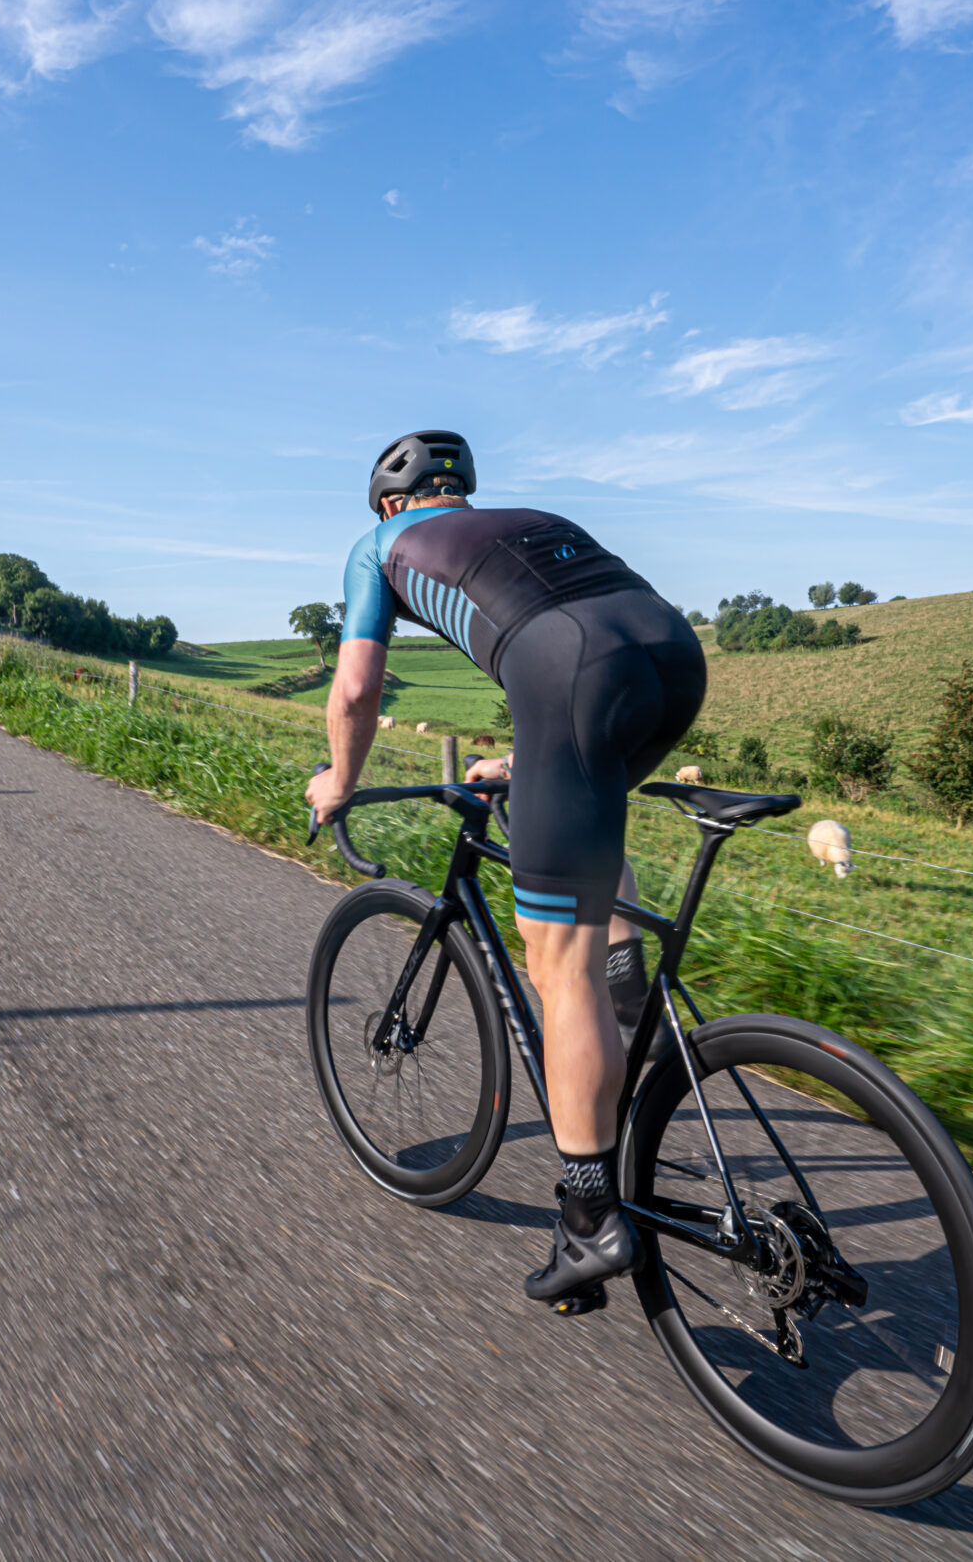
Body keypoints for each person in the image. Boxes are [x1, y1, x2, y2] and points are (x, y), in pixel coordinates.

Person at [304, 431, 706, 1302]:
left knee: (556, 963)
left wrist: (339, 781)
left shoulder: (378, 549)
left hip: (573, 672)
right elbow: (581, 625)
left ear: (387, 505)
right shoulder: (522, 523)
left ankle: (590, 1218)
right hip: (674, 660)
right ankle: (636, 1014)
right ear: (462, 494)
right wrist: (532, 762)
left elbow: (357, 689)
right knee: (592, 865)